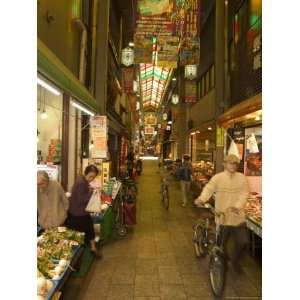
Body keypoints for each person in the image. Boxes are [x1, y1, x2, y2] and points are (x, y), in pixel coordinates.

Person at [194, 154, 249, 273]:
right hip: (222, 217)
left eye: (235, 163)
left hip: (237, 218)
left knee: (243, 242)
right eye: (230, 163)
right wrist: (201, 199)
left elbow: (244, 193)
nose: (233, 165)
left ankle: (235, 261)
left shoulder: (242, 178)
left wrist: (237, 206)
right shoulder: (218, 178)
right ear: (224, 164)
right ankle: (223, 263)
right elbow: (209, 188)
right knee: (221, 244)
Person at [66, 165, 102, 258]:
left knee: (88, 230)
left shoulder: (82, 180)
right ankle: (83, 253)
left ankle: (92, 249)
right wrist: (92, 192)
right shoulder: (81, 182)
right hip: (78, 213)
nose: (91, 179)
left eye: (93, 177)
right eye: (90, 176)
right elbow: (81, 199)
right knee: (85, 232)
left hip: (78, 212)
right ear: (86, 173)